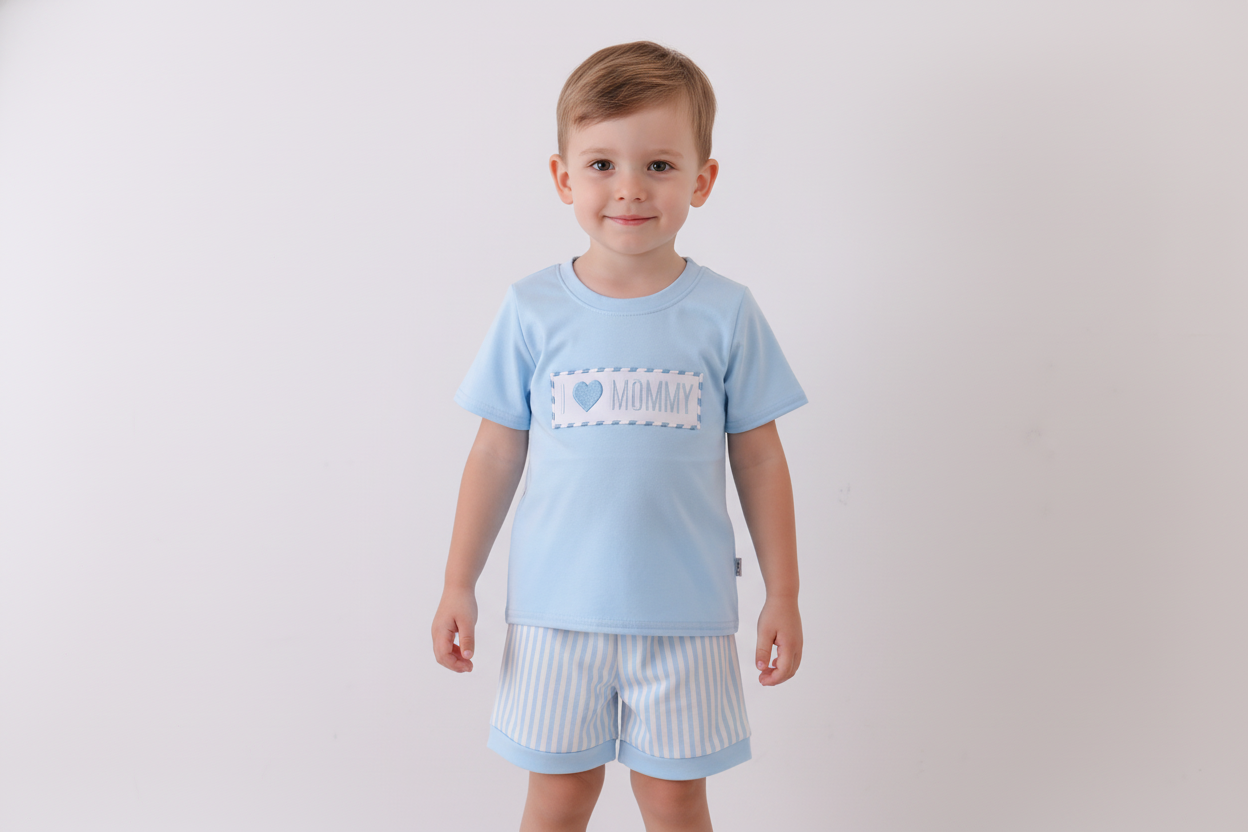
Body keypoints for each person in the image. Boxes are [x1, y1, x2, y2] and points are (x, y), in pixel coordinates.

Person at [432, 40, 807, 832]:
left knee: (674, 799)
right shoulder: (531, 309)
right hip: (554, 617)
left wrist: (784, 593)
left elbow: (760, 458)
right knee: (559, 795)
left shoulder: (727, 313)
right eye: (602, 164)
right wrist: (459, 582)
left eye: (659, 166)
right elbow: (495, 452)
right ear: (563, 177)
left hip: (686, 620)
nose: (630, 188)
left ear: (702, 180)